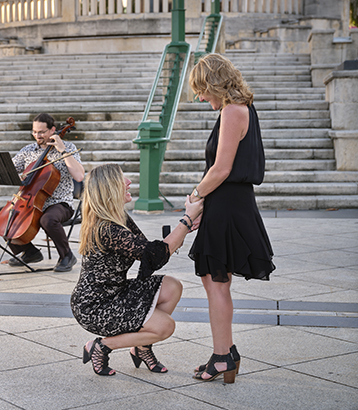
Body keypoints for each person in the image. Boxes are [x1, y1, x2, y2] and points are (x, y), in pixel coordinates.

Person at [187, 53, 275, 383]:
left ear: (215, 84)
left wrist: (195, 197)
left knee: (216, 283)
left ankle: (223, 357)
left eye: (201, 89)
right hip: (228, 203)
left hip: (229, 205)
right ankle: (225, 352)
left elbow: (221, 169)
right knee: (215, 281)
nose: (200, 96)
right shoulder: (240, 109)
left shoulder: (232, 111)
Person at [71, 164, 203, 376]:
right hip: (96, 307)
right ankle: (101, 346)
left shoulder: (118, 218)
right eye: (123, 180)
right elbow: (155, 255)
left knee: (172, 287)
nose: (129, 183)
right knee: (165, 327)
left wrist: (185, 227)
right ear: (111, 188)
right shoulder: (108, 229)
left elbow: (151, 252)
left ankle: (141, 346)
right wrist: (186, 221)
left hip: (115, 293)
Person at [0, 113, 85, 272]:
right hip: (29, 202)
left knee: (47, 219)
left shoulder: (68, 148)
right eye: (35, 132)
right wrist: (15, 176)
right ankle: (29, 252)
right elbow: (10, 172)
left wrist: (62, 150)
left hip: (58, 203)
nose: (37, 136)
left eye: (42, 132)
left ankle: (67, 256)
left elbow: (79, 175)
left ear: (52, 130)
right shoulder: (28, 151)